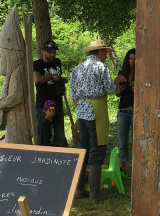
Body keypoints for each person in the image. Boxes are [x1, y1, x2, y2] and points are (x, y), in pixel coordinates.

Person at [69, 39, 116, 200]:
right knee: (97, 150)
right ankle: (95, 192)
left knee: (82, 150)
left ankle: (79, 190)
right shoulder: (101, 67)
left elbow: (73, 95)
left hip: (81, 111)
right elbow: (110, 89)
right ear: (100, 52)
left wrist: (81, 103)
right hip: (96, 110)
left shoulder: (77, 68)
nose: (107, 56)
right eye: (105, 53)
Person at [33, 40, 68, 146]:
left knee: (58, 132)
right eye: (50, 52)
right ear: (43, 52)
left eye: (54, 52)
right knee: (44, 132)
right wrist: (51, 76)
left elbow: (57, 79)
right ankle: (42, 156)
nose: (52, 54)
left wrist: (61, 79)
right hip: (43, 104)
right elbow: (37, 80)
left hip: (57, 101)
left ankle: (58, 156)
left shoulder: (57, 62)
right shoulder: (37, 64)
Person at [114, 48, 135, 174]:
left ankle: (137, 165)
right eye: (130, 58)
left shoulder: (142, 74)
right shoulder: (122, 73)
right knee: (122, 141)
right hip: (123, 110)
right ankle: (122, 167)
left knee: (136, 140)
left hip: (136, 111)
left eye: (135, 59)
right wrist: (119, 89)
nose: (132, 61)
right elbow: (117, 93)